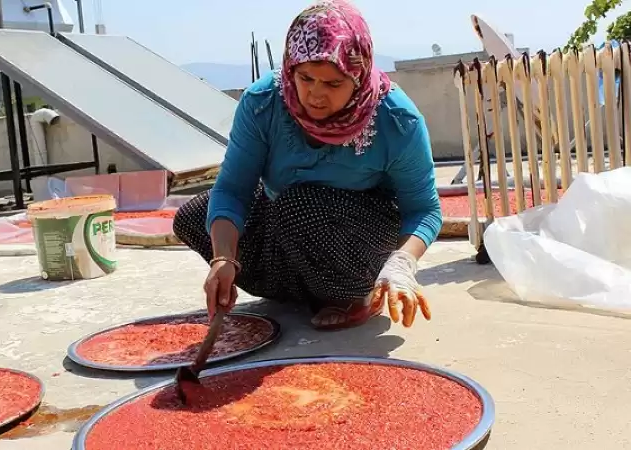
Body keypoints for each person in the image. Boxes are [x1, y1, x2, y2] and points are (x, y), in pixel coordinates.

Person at [173, 0, 441, 330]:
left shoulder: (397, 120)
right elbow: (232, 189)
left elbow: (424, 210)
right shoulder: (264, 103)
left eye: (333, 84)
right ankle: (304, 291)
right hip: (289, 216)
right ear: (290, 69)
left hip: (359, 231)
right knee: (195, 217)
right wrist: (224, 258)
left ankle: (353, 295)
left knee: (300, 205)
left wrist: (401, 263)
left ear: (358, 78)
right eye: (305, 78)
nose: (314, 95)